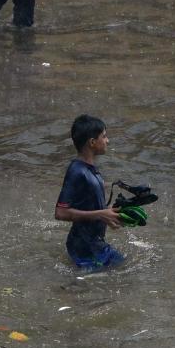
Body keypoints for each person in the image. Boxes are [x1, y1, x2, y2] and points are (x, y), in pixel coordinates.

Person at [54, 114, 125, 271]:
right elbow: (60, 212)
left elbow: (90, 204)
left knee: (121, 269)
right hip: (84, 248)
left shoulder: (90, 169)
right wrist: (101, 214)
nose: (108, 141)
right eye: (104, 136)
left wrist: (112, 212)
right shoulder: (76, 171)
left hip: (95, 244)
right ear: (92, 142)